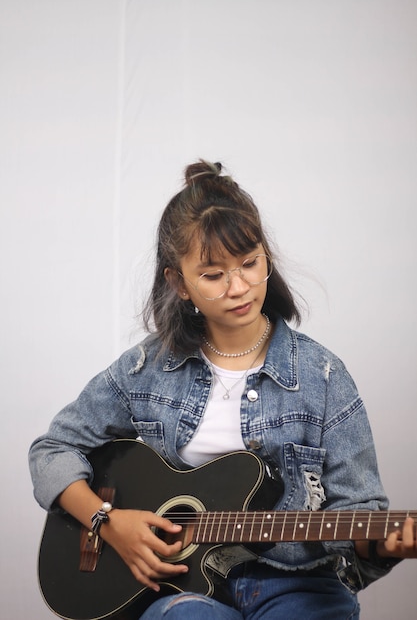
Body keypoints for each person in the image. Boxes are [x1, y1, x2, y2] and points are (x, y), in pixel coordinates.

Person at [29, 160, 416, 620]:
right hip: (177, 590)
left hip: (297, 584)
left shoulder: (324, 377)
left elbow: (359, 510)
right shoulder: (146, 368)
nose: (240, 287)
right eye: (214, 275)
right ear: (180, 283)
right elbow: (51, 451)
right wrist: (107, 522)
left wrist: (379, 543)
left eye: (250, 263)